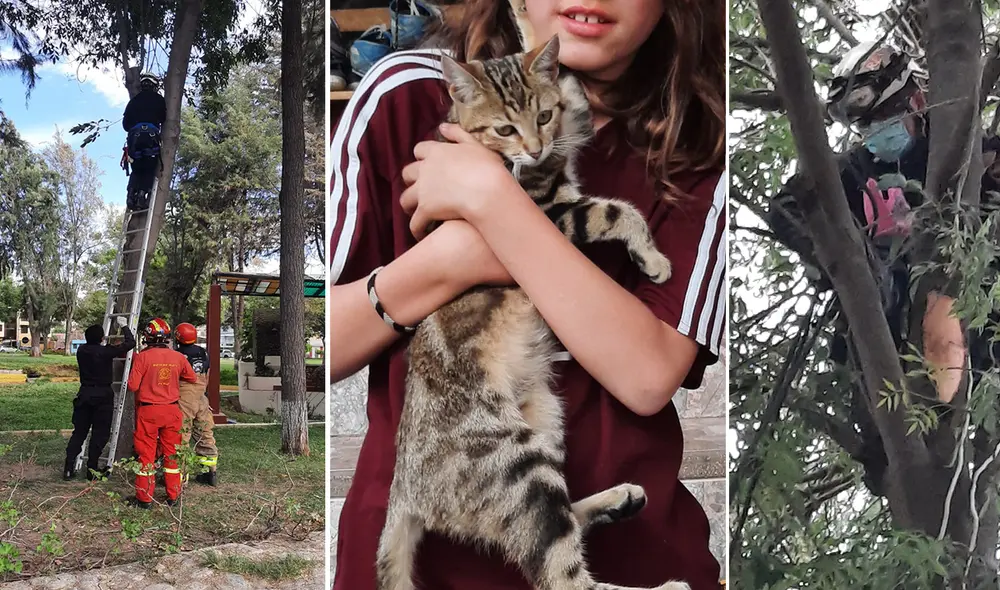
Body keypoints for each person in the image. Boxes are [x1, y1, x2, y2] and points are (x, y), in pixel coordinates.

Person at [329, 0, 725, 587]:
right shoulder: (404, 94)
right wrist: (452, 259)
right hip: (433, 559)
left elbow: (649, 374)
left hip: (639, 558)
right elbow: (319, 343)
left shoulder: (704, 142)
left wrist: (495, 205)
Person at [126, 318, 198, 509]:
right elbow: (191, 377)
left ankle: (144, 499)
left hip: (149, 411)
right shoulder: (178, 357)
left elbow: (132, 385)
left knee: (146, 455)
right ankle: (174, 496)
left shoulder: (143, 357)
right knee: (172, 454)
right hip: (172, 410)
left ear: (148, 337)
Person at [63, 317, 136, 481]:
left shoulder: (81, 351)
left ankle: (68, 468)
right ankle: (92, 471)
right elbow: (130, 343)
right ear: (102, 338)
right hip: (102, 396)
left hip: (84, 395)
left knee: (79, 433)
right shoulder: (105, 352)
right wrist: (124, 327)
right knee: (99, 434)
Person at [173, 322, 219, 486]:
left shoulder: (176, 355)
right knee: (205, 433)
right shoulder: (203, 352)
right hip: (201, 397)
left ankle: (181, 477)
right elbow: (208, 373)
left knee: (181, 436)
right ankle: (210, 472)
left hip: (184, 397)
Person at [122, 72, 166, 211]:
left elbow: (125, 124)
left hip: (134, 138)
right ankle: (142, 195)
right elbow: (163, 118)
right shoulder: (159, 99)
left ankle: (131, 194)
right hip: (150, 137)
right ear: (154, 86)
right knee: (149, 166)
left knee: (137, 168)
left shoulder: (133, 101)